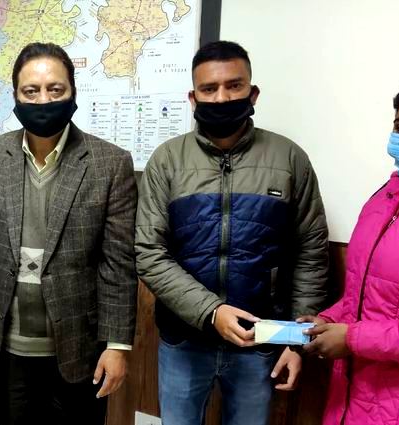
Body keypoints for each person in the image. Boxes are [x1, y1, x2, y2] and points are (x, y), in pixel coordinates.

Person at [0, 42, 138, 425]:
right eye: (31, 91)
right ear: (16, 97)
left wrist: (118, 345)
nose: (43, 100)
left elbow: (117, 264)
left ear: (73, 92)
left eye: (55, 89)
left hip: (79, 344)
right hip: (2, 343)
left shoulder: (110, 164)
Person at [135, 40, 329, 425]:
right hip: (184, 340)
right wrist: (212, 312)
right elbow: (150, 253)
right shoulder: (167, 160)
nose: (222, 98)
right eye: (209, 89)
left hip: (261, 340)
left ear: (252, 93)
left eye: (234, 86)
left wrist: (297, 341)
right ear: (193, 98)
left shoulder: (289, 159)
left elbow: (310, 253)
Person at [302, 67, 399, 424]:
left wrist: (353, 339)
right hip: (354, 397)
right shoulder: (386, 196)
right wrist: (330, 319)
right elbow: (369, 294)